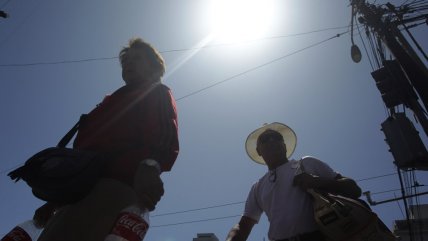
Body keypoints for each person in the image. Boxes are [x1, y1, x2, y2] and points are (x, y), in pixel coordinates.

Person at [33, 38, 179, 241]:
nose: (128, 63)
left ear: (154, 67)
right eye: (125, 60)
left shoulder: (156, 92)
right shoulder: (108, 102)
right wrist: (55, 201)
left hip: (113, 188)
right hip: (75, 196)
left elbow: (163, 134)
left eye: (137, 58)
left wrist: (150, 165)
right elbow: (81, 156)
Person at [226, 122, 361, 241]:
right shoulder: (257, 187)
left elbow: (354, 189)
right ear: (258, 151)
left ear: (284, 145)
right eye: (265, 139)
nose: (272, 140)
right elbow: (244, 225)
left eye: (277, 137)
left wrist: (318, 182)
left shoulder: (307, 163)